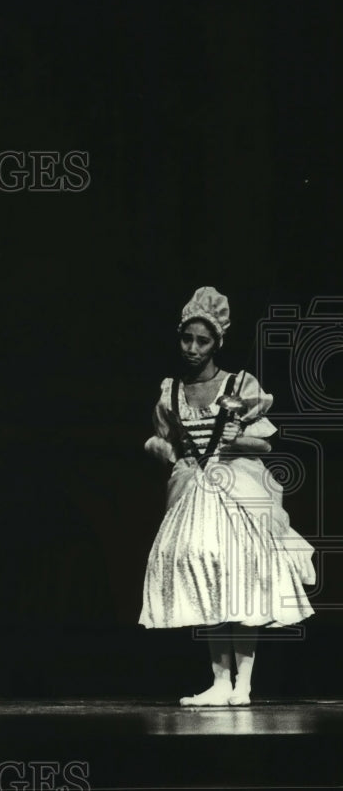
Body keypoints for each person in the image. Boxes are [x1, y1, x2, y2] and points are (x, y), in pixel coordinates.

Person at [140, 286, 316, 706]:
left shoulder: (239, 384)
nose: (193, 348)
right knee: (205, 574)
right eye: (188, 339)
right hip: (194, 492)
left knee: (241, 577)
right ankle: (219, 680)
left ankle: (245, 683)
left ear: (217, 342)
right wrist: (159, 448)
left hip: (235, 486)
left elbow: (266, 445)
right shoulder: (172, 392)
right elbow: (163, 439)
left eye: (203, 340)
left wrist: (239, 438)